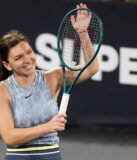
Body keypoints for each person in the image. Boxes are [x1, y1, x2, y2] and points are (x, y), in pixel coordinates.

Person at [0, 3, 99, 160]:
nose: (27, 60)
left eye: (29, 52)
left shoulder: (53, 77)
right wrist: (48, 127)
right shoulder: (3, 91)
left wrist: (82, 32)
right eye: (18, 57)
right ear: (7, 65)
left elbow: (91, 68)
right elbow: (9, 137)